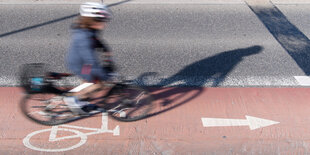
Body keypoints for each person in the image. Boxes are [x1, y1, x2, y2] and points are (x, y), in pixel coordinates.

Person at [64, 2, 114, 115]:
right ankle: (72, 98)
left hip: (82, 62)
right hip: (81, 65)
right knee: (99, 84)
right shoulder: (84, 38)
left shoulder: (88, 30)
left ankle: (80, 99)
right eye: (101, 21)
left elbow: (96, 40)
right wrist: (105, 76)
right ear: (91, 20)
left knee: (89, 82)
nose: (104, 24)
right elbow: (91, 62)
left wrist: (105, 49)